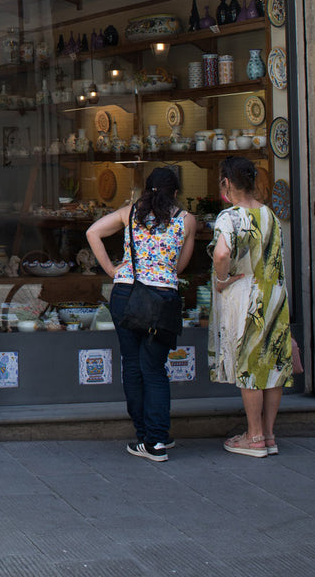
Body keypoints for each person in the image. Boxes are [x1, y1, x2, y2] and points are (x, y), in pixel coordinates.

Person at [85, 166, 196, 462]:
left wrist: (112, 270)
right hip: (161, 297)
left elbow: (92, 231)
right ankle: (157, 440)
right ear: (175, 192)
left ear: (148, 190)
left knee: (132, 366)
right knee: (155, 369)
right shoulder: (186, 220)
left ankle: (143, 436)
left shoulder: (129, 212)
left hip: (126, 293)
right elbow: (180, 266)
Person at [209, 156, 294, 458]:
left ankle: (254, 436)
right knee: (271, 366)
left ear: (227, 183)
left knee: (250, 368)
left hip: (247, 297)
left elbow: (221, 253)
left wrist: (222, 279)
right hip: (275, 296)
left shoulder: (229, 217)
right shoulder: (269, 214)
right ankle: (268, 434)